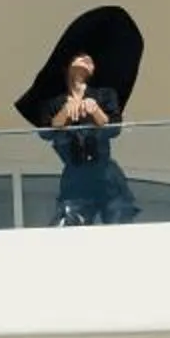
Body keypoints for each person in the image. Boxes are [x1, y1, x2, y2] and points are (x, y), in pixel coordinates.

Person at [39, 50, 141, 226]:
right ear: (67, 67)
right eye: (79, 57)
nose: (86, 59)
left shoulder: (104, 95)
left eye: (90, 61)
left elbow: (115, 129)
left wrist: (96, 111)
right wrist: (64, 113)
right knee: (68, 224)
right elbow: (45, 133)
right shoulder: (54, 103)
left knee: (120, 223)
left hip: (105, 173)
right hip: (75, 176)